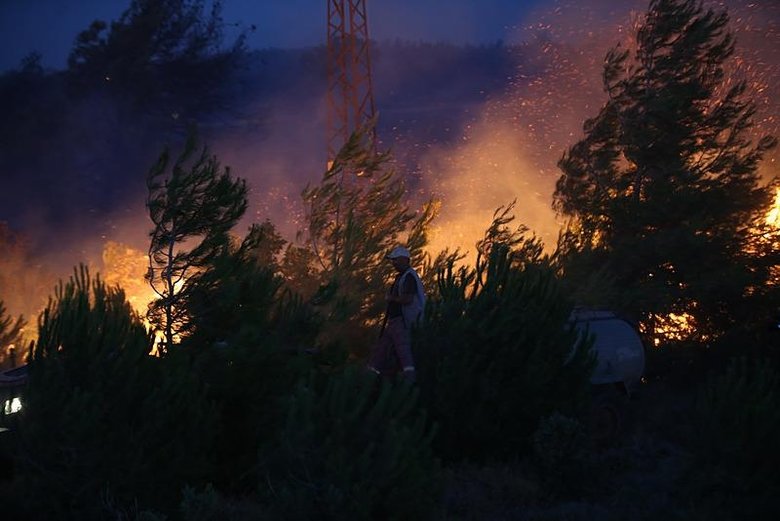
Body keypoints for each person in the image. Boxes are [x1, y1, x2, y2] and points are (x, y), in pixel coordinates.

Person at [368, 246, 425, 382]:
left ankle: (409, 381)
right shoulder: (403, 277)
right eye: (392, 260)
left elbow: (407, 299)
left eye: (396, 260)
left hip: (402, 321)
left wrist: (391, 298)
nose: (393, 263)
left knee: (403, 352)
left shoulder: (409, 277)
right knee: (382, 350)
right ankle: (369, 377)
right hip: (395, 322)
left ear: (405, 260)